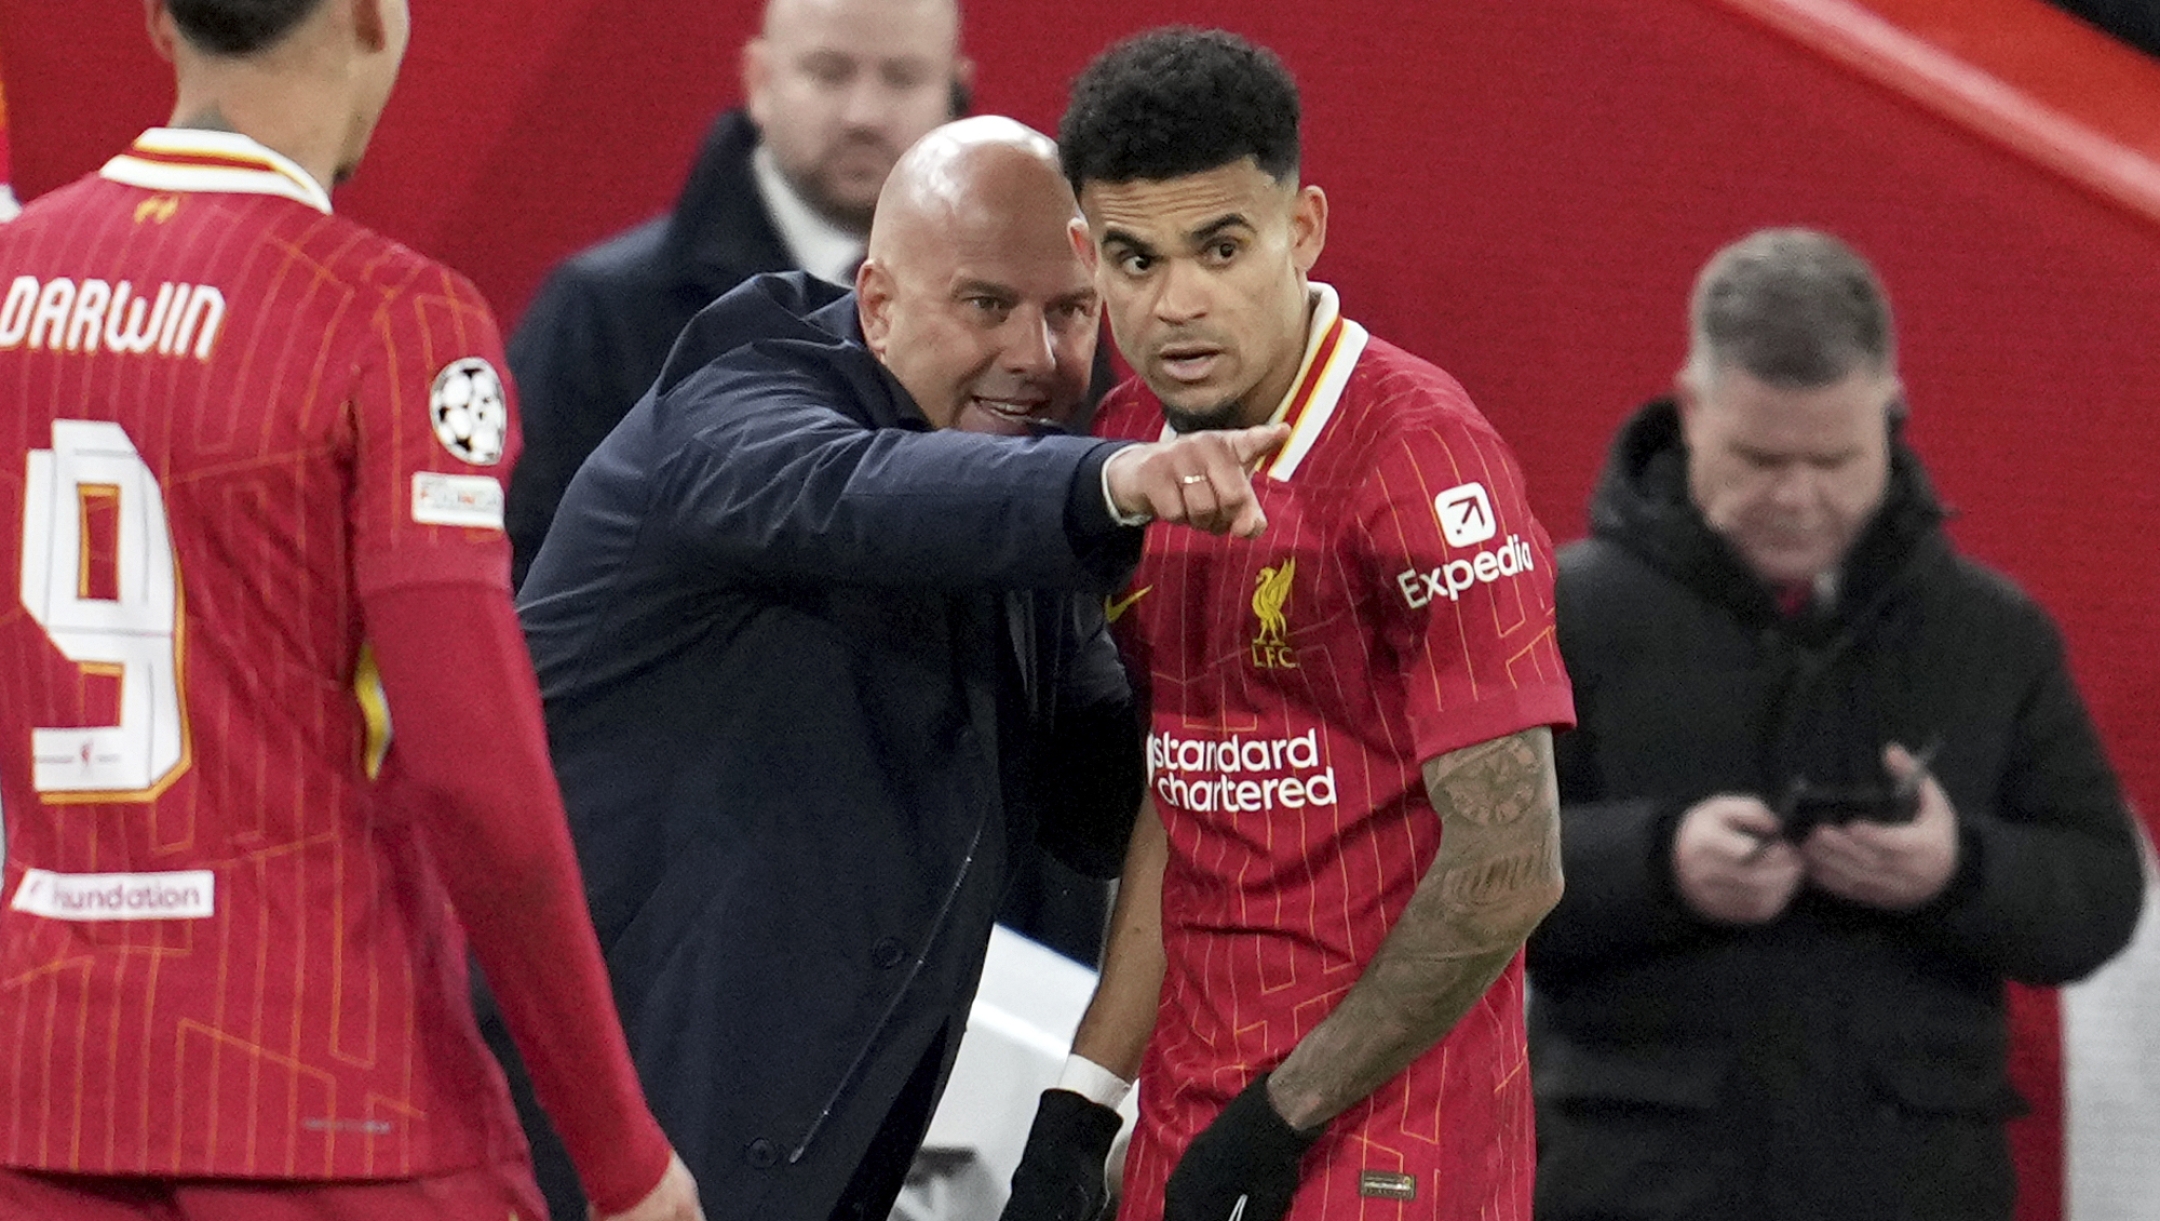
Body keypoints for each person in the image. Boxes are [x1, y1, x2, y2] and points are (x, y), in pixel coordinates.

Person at [512, 115, 1291, 1221]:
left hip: (804, 1164)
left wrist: (1252, 655)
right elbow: (856, 494)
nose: (1036, 357)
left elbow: (1095, 799)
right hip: (566, 1144)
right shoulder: (739, 394)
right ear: (876, 303)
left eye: (1070, 313)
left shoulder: (1030, 527)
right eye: (986, 306)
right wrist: (1114, 486)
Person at [0, 2, 699, 1220]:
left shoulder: (13, 287)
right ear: (379, 14)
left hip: (44, 1093)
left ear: (158, 21)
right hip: (333, 1095)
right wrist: (620, 1148)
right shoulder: (391, 319)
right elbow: (480, 782)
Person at [1002, 28, 1575, 1221]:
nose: (1180, 303)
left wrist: (1277, 1122)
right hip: (1188, 1131)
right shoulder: (1125, 447)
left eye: (1221, 247)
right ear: (1086, 257)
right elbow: (1187, 782)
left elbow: (1508, 869)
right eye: (1136, 259)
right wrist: (1083, 1099)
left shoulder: (1423, 457)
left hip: (1391, 1146)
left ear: (1302, 230)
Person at [1524, 228, 2146, 1221]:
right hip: (1636, 1177)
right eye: (1760, 457)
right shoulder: (1555, 612)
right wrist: (1659, 864)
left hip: (1913, 1179)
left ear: (1891, 419)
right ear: (1691, 412)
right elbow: (1431, 873)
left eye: (1834, 459)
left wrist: (1958, 869)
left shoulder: (1994, 632)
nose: (1798, 497)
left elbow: (2100, 894)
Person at [503, 0, 968, 585]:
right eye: (828, 72)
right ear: (759, 81)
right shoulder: (601, 313)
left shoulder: (1031, 316)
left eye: (902, 77)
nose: (864, 114)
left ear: (955, 90)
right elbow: (528, 588)